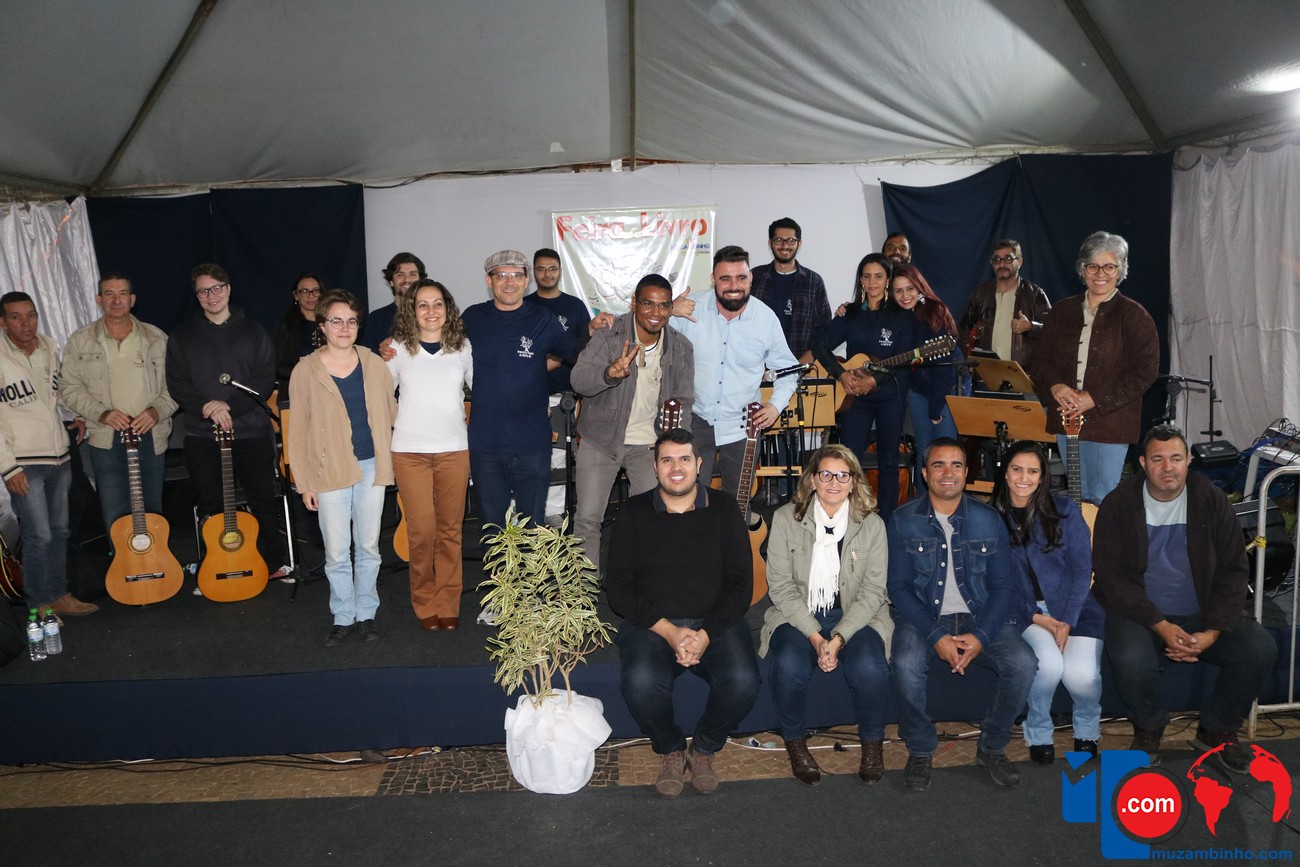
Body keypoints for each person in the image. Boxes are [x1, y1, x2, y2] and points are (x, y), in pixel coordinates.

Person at [1092, 425, 1277, 772]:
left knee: (1259, 648)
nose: (1168, 468)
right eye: (1158, 459)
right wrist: (1161, 626)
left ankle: (1218, 730)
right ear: (1143, 463)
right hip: (1138, 614)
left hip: (1200, 613)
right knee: (1130, 657)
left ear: (1189, 460)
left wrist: (1212, 631)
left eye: (1176, 458)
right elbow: (1113, 579)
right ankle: (1148, 728)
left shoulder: (1212, 501)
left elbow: (1234, 572)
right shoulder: (1118, 505)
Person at [606, 428, 758, 798]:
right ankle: (671, 748)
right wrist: (670, 632)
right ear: (655, 467)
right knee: (640, 684)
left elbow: (741, 585)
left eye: (684, 459)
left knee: (743, 681)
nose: (676, 468)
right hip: (652, 625)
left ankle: (704, 748)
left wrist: (705, 634)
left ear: (699, 464)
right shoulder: (633, 513)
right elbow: (619, 589)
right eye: (667, 460)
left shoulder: (724, 509)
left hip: (715, 623)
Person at [887, 438, 1036, 790]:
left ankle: (992, 747)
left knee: (1023, 663)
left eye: (956, 465)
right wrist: (936, 635)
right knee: (905, 664)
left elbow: (1003, 588)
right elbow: (899, 589)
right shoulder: (902, 520)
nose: (948, 472)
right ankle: (920, 748)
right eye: (938, 465)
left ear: (967, 473)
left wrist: (981, 636)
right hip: (923, 615)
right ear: (925, 474)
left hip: (978, 614)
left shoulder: (989, 520)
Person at [759, 444, 892, 785]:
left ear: (854, 482)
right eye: (826, 474)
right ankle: (795, 743)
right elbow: (781, 588)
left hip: (856, 615)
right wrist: (817, 637)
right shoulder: (786, 519)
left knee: (870, 667)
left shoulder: (872, 525)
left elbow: (873, 592)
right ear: (812, 480)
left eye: (843, 475)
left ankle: (872, 744)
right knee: (788, 665)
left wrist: (839, 637)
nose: (834, 482)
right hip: (798, 614)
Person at [167, 263, 290, 583]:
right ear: (196, 296)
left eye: (217, 288)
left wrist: (229, 406)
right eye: (203, 291)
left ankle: (272, 563)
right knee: (210, 504)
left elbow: (264, 380)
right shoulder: (182, 336)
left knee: (262, 499)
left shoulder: (254, 332)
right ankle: (217, 566)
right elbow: (177, 383)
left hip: (251, 432)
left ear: (229, 289)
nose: (211, 296)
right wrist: (207, 408)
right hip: (202, 435)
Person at [288, 290, 396, 645]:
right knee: (336, 552)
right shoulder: (306, 370)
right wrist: (304, 482)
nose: (344, 328)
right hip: (327, 471)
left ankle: (366, 613)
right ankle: (343, 615)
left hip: (371, 467)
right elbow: (297, 430)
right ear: (322, 325)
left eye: (351, 321)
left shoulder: (374, 363)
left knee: (368, 547)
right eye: (336, 321)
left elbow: (391, 411)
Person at [570, 274, 693, 576]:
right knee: (587, 520)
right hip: (601, 441)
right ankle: (583, 593)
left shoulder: (681, 347)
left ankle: (645, 588)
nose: (656, 312)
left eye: (663, 306)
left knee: (653, 520)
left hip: (649, 446)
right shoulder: (608, 337)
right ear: (634, 303)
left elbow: (684, 401)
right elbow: (578, 380)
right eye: (648, 303)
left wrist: (677, 449)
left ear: (670, 308)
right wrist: (608, 374)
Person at [990, 440, 1103, 765]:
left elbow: (1083, 569)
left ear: (1042, 477)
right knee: (1048, 667)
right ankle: (1039, 731)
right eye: (1016, 469)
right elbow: (996, 582)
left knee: (1082, 676)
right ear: (1005, 472)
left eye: (1032, 471)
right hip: (1025, 613)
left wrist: (1066, 620)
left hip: (1076, 607)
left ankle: (1087, 728)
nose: (1023, 478)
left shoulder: (1064, 510)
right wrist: (1037, 617)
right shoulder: (991, 518)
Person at [1031, 231, 1158, 504]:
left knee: (1102, 500)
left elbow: (1145, 371)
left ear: (1120, 270)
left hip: (1110, 422)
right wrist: (1056, 386)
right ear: (1082, 269)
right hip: (1066, 417)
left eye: (1109, 266)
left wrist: (1094, 398)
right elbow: (1040, 358)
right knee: (1077, 499)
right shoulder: (1061, 311)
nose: (1101, 273)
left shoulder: (1135, 316)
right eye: (1093, 266)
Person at [461, 250, 576, 532]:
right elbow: (436, 342)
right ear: (489, 280)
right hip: (486, 442)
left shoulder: (543, 319)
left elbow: (577, 353)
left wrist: (605, 335)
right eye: (501, 275)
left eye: (516, 275)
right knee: (492, 529)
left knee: (532, 525)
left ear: (526, 281)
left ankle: (529, 565)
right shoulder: (472, 318)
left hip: (532, 442)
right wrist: (394, 344)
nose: (509, 282)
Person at [671, 245, 798, 499]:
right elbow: (646, 332)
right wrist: (666, 310)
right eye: (725, 278)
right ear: (713, 280)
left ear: (751, 278)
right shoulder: (688, 309)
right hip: (695, 421)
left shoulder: (766, 318)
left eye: (741, 278)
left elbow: (788, 370)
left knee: (738, 503)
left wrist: (775, 406)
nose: (734, 286)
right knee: (690, 500)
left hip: (742, 427)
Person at [0, 292, 96, 616]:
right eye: (16, 317)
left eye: (31, 315)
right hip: (23, 463)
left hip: (59, 457)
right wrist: (8, 467)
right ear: (3, 322)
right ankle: (38, 604)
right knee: (38, 535)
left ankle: (58, 595)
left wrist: (75, 415)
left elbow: (57, 394)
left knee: (59, 532)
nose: (25, 323)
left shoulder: (48, 349)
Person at [61, 272, 177, 538]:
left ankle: (155, 564)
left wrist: (156, 412)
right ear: (98, 300)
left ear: (132, 299)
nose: (116, 300)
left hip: (150, 434)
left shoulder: (156, 338)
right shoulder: (80, 340)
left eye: (122, 293)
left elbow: (176, 386)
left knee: (152, 515)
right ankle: (122, 564)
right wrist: (101, 414)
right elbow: (69, 387)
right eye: (109, 294)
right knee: (115, 517)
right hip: (107, 438)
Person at [387, 279, 473, 631]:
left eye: (438, 303)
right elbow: (381, 394)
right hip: (410, 453)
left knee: (450, 531)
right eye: (422, 304)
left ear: (448, 309)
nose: (431, 311)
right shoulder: (396, 349)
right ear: (412, 310)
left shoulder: (462, 347)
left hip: (454, 450)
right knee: (421, 532)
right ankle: (424, 601)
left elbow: (482, 389)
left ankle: (448, 602)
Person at [811, 253, 917, 519]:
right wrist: (840, 375)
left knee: (889, 462)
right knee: (850, 462)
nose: (872, 282)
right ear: (860, 279)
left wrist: (874, 380)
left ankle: (888, 521)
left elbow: (905, 359)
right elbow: (820, 345)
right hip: (855, 398)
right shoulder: (851, 313)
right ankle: (851, 518)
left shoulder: (902, 315)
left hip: (890, 396)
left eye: (878, 276)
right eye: (867, 276)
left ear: (888, 279)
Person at [888, 263, 960, 489]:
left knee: (946, 454)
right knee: (924, 453)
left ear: (920, 287)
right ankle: (922, 504)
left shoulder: (933, 311)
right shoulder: (899, 316)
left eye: (910, 288)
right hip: (917, 393)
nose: (905, 295)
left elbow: (943, 365)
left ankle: (949, 502)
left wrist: (936, 407)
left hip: (943, 394)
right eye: (898, 291)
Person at [524, 247, 614, 394]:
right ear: (534, 271)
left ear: (560, 271)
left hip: (569, 392)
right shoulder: (524, 306)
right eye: (541, 269)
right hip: (530, 390)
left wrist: (560, 359)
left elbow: (587, 348)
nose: (547, 274)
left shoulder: (575, 305)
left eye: (552, 269)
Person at [748, 218, 831, 361]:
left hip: (800, 364)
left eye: (791, 240)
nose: (785, 245)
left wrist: (809, 356)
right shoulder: (754, 277)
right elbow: (741, 319)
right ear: (770, 243)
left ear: (799, 243)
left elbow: (825, 327)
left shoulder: (813, 281)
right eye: (778, 240)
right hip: (759, 364)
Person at [957, 239, 1051, 367]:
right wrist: (969, 360)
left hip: (1022, 373)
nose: (1001, 264)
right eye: (996, 260)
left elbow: (1052, 331)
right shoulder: (980, 293)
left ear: (1019, 262)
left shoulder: (1034, 294)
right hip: (986, 371)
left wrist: (1031, 327)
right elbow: (964, 330)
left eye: (1008, 259)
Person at [359, 253, 425, 352]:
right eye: (400, 274)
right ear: (391, 282)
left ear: (420, 280)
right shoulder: (376, 319)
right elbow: (366, 357)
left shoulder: (432, 315)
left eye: (413, 274)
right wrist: (382, 352)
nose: (407, 279)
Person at [272, 272, 323, 392]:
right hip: (297, 390)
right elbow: (275, 365)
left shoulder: (332, 324)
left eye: (315, 291)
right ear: (295, 295)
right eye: (304, 291)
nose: (311, 296)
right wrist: (305, 373)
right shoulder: (285, 327)